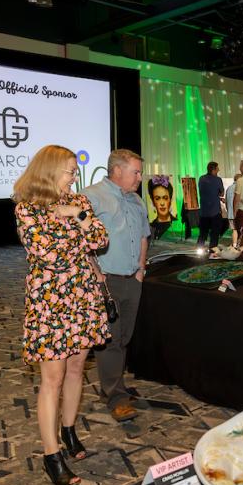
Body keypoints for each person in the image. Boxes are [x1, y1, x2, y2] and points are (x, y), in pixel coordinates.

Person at [14, 145, 109, 485]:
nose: (74, 177)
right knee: (52, 378)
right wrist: (77, 230)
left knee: (77, 368)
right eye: (70, 171)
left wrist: (77, 215)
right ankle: (51, 455)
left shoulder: (79, 202)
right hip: (50, 303)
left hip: (82, 296)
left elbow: (101, 240)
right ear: (50, 170)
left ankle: (68, 430)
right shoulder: (27, 208)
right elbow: (48, 255)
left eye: (74, 171)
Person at [83, 150, 151, 424]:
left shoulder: (136, 200)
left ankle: (113, 385)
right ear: (118, 170)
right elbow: (79, 239)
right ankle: (116, 397)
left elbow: (144, 236)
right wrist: (95, 272)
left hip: (132, 279)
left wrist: (141, 270)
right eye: (136, 172)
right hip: (106, 280)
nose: (140, 177)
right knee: (110, 340)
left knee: (123, 337)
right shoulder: (92, 196)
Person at [197, 161, 224, 252]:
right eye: (217, 168)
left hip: (203, 211)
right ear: (214, 169)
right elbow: (221, 193)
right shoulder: (218, 180)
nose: (218, 170)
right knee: (215, 233)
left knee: (203, 233)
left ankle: (199, 250)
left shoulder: (201, 179)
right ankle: (212, 250)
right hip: (214, 211)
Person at [223, 172, 241, 248]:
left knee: (234, 229)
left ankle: (234, 245)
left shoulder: (229, 188)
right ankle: (241, 245)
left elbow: (226, 202)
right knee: (242, 230)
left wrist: (228, 211)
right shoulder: (240, 188)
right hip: (239, 213)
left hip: (230, 213)